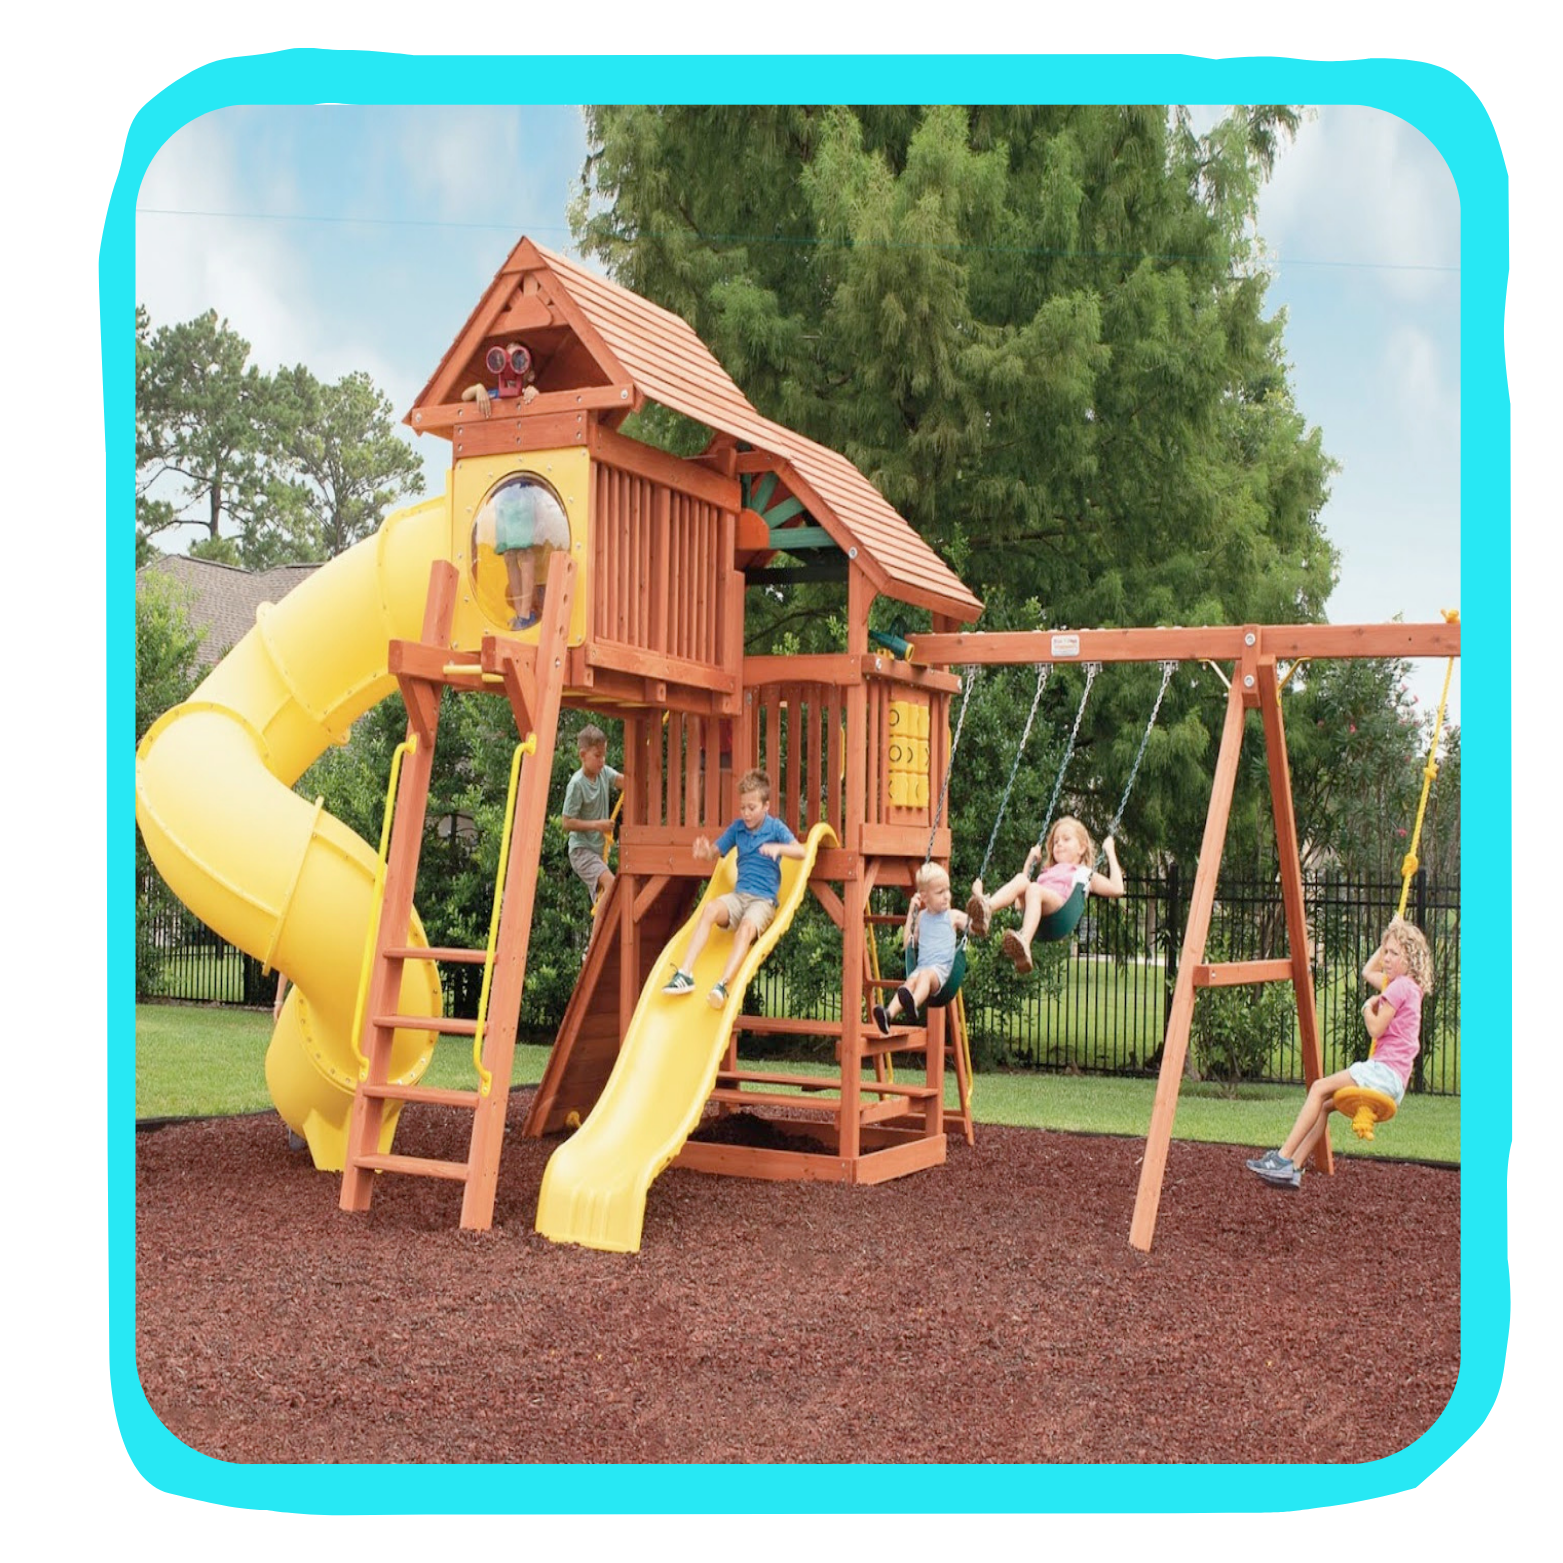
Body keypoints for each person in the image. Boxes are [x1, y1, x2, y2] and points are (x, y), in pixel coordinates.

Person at [1246, 917, 1434, 1189]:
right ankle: (1293, 1167)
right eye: (1386, 952)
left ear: (1410, 959)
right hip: (1395, 1081)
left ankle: (1281, 1158)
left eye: (1394, 953)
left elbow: (1376, 1029)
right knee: (1325, 1105)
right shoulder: (1411, 988)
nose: (1386, 958)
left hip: (1383, 1071)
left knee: (1318, 1088)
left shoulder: (1399, 986)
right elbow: (1368, 971)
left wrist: (1367, 1008)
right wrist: (1391, 933)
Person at [662, 769, 805, 1010]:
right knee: (709, 909)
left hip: (762, 902)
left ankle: (722, 985)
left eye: (752, 808)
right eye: (742, 808)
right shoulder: (738, 829)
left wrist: (778, 849)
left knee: (746, 928)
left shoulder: (775, 828)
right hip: (739, 898)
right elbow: (714, 853)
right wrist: (704, 852)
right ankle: (685, 973)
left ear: (766, 806)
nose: (746, 813)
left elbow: (800, 852)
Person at [965, 815, 1124, 974]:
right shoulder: (1047, 873)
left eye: (1066, 839)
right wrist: (1029, 862)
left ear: (1081, 848)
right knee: (1022, 879)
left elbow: (1117, 889)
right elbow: (1019, 904)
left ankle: (1024, 941)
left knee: (1034, 888)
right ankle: (986, 909)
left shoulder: (1084, 873)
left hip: (1060, 910)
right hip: (1040, 909)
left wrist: (1110, 852)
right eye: (1056, 841)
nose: (1059, 843)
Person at [873, 861, 970, 1036]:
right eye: (940, 892)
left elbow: (976, 927)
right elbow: (908, 944)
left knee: (924, 975)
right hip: (921, 968)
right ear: (924, 897)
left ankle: (913, 1004)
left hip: (941, 973)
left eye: (947, 890)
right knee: (909, 982)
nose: (946, 896)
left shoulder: (953, 916)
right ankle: (888, 1014)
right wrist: (911, 913)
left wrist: (978, 913)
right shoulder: (921, 918)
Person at [559, 724, 624, 946]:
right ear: (583, 755)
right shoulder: (577, 784)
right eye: (597, 756)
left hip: (596, 852)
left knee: (605, 899)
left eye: (604, 755)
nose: (602, 761)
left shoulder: (604, 773)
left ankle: (597, 944)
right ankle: (595, 943)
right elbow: (566, 822)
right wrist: (598, 825)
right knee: (611, 883)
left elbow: (624, 781)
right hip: (581, 851)